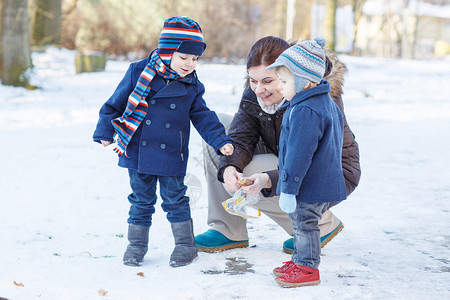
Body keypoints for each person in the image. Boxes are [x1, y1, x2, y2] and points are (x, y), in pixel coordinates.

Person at [194, 36, 360, 253]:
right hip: (284, 157)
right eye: (253, 80)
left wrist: (266, 178)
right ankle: (228, 229)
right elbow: (241, 136)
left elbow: (308, 162)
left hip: (326, 173)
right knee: (220, 137)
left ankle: (317, 225)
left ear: (287, 74)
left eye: (267, 81)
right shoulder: (254, 94)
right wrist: (229, 168)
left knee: (253, 173)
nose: (258, 89)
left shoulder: (312, 101)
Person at [92, 16, 234, 268]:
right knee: (140, 200)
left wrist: (219, 139)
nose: (190, 64)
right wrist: (105, 130)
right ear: (167, 52)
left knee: (175, 199)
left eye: (195, 59)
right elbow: (116, 102)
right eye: (184, 57)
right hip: (137, 149)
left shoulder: (191, 84)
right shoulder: (139, 71)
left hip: (171, 152)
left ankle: (185, 245)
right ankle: (136, 245)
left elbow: (202, 115)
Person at [267, 37, 347, 287]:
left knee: (304, 224)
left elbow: (299, 155)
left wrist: (288, 189)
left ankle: (308, 267)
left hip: (309, 184)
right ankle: (301, 258)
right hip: (317, 180)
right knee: (301, 223)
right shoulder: (320, 101)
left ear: (306, 81)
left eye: (284, 81)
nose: (280, 87)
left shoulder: (306, 110)